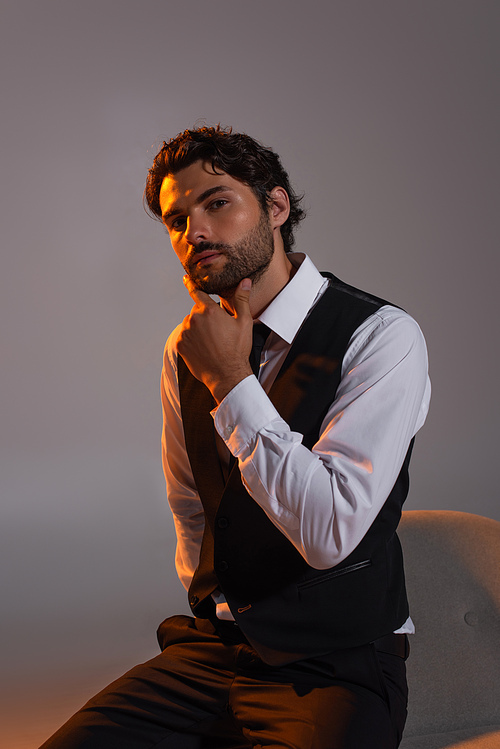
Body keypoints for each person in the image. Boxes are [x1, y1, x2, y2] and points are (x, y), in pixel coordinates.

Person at [40, 125, 430, 748]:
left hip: (335, 665)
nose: (193, 232)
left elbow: (331, 533)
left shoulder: (382, 335)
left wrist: (230, 379)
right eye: (176, 219)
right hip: (215, 654)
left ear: (276, 208)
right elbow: (191, 501)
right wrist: (226, 603)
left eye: (217, 202)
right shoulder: (182, 348)